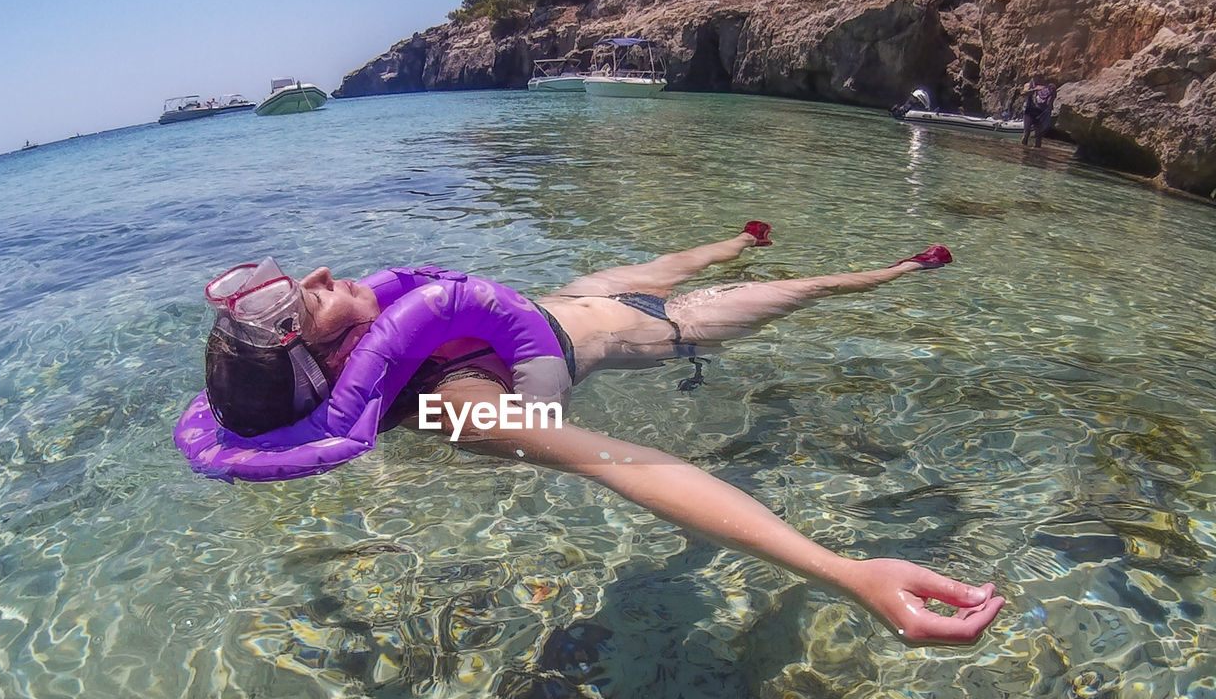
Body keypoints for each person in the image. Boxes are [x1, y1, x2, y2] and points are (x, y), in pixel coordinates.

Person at [199, 223, 1005, 644]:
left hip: (579, 298)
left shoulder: (394, 335)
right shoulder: (463, 407)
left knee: (711, 253)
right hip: (665, 331)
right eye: (310, 304)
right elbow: (630, 465)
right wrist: (844, 572)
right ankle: (901, 267)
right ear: (338, 358)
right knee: (806, 288)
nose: (318, 276)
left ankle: (744, 235)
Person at [1015, 76, 1056, 148]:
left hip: (1040, 113)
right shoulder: (1029, 85)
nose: (1038, 79)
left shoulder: (1046, 89)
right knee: (1026, 133)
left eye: (1040, 77)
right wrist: (1034, 90)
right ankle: (1023, 150)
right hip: (1029, 112)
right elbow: (1023, 93)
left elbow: (1051, 99)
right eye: (1036, 78)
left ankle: (1036, 153)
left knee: (1038, 136)